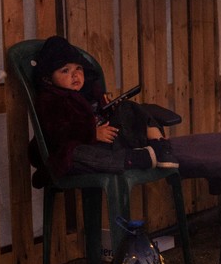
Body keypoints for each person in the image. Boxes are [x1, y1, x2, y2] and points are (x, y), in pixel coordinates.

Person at [31, 35, 177, 185]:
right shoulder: (50, 99)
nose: (75, 75)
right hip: (76, 151)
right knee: (75, 154)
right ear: (48, 78)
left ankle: (159, 145)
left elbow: (102, 116)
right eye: (65, 71)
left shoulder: (89, 91)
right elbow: (58, 133)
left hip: (108, 143)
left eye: (78, 68)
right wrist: (92, 133)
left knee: (127, 107)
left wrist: (110, 109)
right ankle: (135, 159)